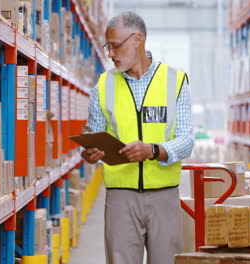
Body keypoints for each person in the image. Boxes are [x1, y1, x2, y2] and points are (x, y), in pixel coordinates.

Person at [81, 11, 194, 264]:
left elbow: (186, 139)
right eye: (107, 47)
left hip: (164, 196)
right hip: (120, 198)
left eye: (115, 46)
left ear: (137, 40)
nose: (110, 53)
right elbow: (92, 134)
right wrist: (90, 153)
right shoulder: (102, 85)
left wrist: (153, 150)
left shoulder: (175, 81)